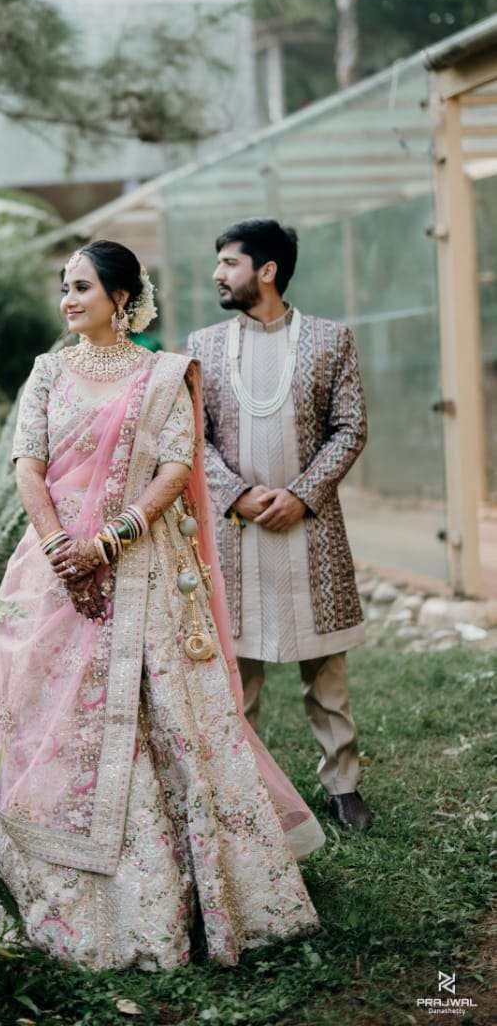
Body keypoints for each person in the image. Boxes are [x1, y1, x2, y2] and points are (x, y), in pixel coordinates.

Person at [0, 240, 324, 972]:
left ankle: (181, 890)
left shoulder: (162, 375)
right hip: (52, 565)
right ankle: (69, 885)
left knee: (163, 710)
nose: (67, 299)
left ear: (119, 297)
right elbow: (27, 466)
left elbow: (175, 468)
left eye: (81, 287)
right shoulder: (47, 372)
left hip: (141, 565)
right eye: (64, 287)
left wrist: (108, 541)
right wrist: (60, 547)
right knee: (51, 713)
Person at [186, 219, 373, 833]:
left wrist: (303, 496)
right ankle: (244, 790)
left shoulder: (330, 340)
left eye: (229, 263)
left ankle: (343, 785)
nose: (218, 273)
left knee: (325, 668)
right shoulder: (203, 346)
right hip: (235, 533)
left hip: (310, 530)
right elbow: (194, 437)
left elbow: (350, 428)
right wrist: (236, 495)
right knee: (237, 668)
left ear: (266, 271)